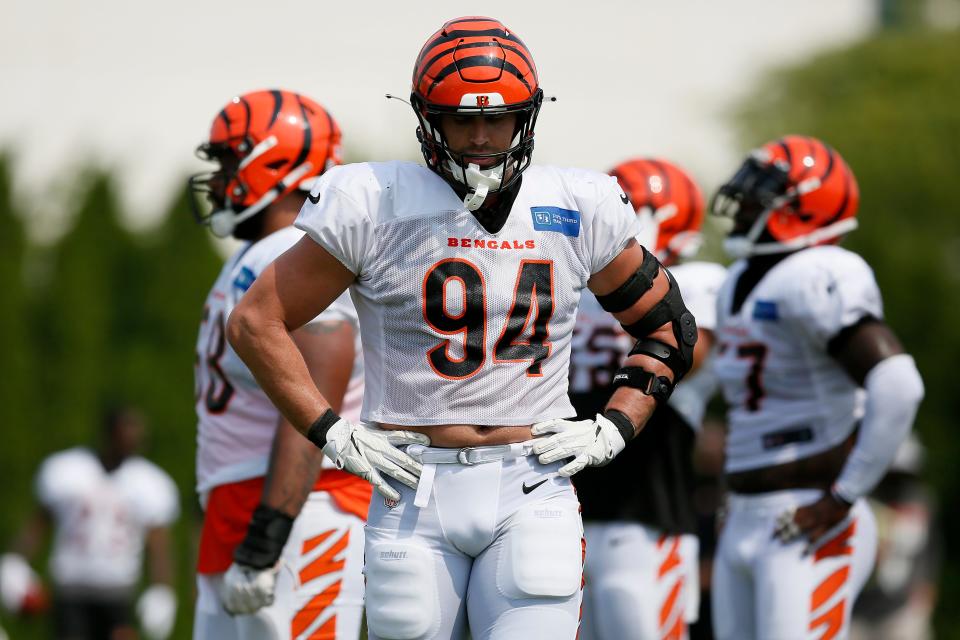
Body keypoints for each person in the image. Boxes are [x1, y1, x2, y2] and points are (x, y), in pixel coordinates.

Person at [225, 16, 698, 640]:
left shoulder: (577, 206)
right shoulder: (374, 200)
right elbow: (257, 321)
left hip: (532, 482)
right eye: (460, 118)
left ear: (524, 117)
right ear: (428, 119)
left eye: (497, 118)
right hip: (411, 487)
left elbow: (670, 331)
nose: (479, 136)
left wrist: (614, 426)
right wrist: (330, 431)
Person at [708, 135, 925, 640]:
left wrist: (844, 496)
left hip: (807, 513)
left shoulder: (818, 273)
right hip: (744, 513)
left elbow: (898, 383)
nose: (742, 198)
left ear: (802, 208)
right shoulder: (739, 278)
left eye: (761, 189)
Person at [189, 89, 370, 640]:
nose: (218, 180)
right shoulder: (261, 254)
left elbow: (320, 386)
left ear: (270, 161)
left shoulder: (287, 253)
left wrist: (270, 531)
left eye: (227, 162)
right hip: (247, 506)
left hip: (303, 508)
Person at [573, 158, 727, 640]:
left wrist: (641, 283)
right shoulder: (572, 284)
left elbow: (688, 351)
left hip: (649, 520)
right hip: (564, 516)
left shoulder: (699, 282)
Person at [1, 407, 179, 640]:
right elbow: (38, 523)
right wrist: (16, 561)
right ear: (110, 430)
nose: (135, 435)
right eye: (128, 427)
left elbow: (158, 542)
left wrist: (162, 588)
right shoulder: (68, 470)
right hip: (71, 592)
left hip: (118, 594)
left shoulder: (149, 482)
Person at [850, 435, 941, 640]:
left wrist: (927, 584)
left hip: (902, 607)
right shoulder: (861, 502)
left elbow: (931, 544)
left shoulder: (921, 499)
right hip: (858, 608)